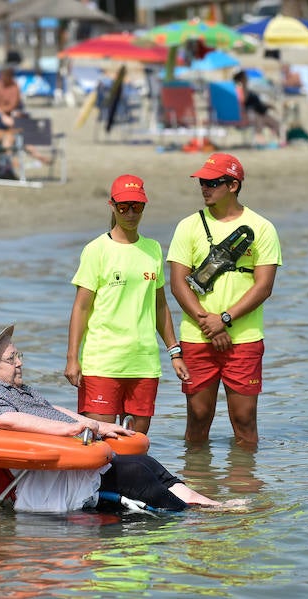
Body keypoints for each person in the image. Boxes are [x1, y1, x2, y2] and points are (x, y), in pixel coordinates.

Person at [0, 324, 227, 513]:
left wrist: (97, 424)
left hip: (69, 462)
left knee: (145, 463)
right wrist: (69, 430)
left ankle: (206, 505)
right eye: (11, 358)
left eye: (18, 355)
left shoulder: (18, 389)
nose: (20, 362)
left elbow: (52, 409)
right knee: (135, 474)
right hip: (50, 477)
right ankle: (188, 516)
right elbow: (5, 420)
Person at [166, 153, 282, 447]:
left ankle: (244, 487)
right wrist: (209, 323)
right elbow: (178, 284)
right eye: (202, 182)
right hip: (198, 335)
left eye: (212, 182)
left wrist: (225, 320)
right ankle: (196, 486)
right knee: (198, 415)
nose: (204, 187)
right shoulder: (188, 226)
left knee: (244, 420)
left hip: (244, 337)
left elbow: (264, 286)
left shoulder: (263, 227)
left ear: (233, 185)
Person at [65, 174, 188, 435]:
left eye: (137, 207)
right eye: (123, 207)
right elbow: (81, 308)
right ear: (112, 206)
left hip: (144, 364)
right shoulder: (96, 250)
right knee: (99, 448)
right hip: (103, 363)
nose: (130, 213)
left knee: (135, 449)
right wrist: (72, 358)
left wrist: (174, 351)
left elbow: (160, 306)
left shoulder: (153, 249)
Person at [232, 70, 282, 145]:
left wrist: (269, 106)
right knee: (258, 118)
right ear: (241, 79)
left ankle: (278, 141)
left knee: (275, 123)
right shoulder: (239, 89)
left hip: (259, 112)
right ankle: (260, 140)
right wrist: (244, 87)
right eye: (245, 77)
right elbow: (242, 101)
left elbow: (256, 102)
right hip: (249, 114)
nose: (247, 78)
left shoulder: (248, 89)